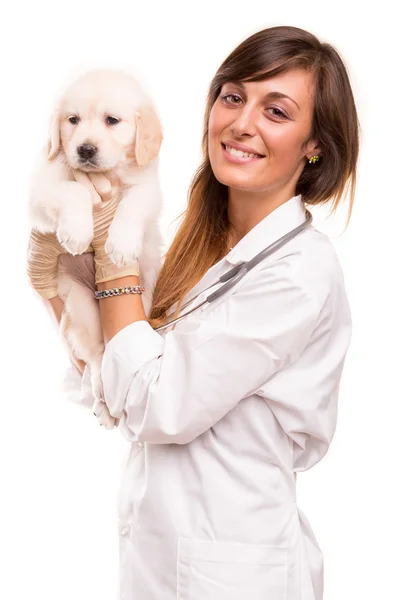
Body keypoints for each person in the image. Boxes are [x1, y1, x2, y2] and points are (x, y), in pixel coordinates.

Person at [27, 25, 359, 600]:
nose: (242, 123)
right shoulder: (198, 242)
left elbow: (156, 405)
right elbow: (115, 388)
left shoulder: (298, 272)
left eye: (276, 111)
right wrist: (52, 289)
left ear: (316, 145)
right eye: (233, 97)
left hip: (234, 573)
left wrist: (115, 267)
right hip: (163, 562)